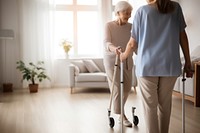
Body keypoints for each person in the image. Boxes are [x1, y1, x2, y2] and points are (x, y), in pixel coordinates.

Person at [119, 0, 193, 132]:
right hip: (169, 65)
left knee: (150, 107)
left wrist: (124, 56)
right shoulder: (175, 7)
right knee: (165, 106)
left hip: (147, 66)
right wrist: (188, 62)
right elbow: (183, 36)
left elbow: (132, 43)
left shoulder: (142, 11)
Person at [103, 1, 134, 127]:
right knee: (117, 88)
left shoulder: (132, 26)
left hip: (127, 59)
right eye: (126, 12)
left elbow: (135, 44)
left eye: (130, 12)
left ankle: (120, 112)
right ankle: (122, 115)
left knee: (127, 88)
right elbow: (106, 42)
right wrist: (114, 48)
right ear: (118, 12)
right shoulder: (109, 25)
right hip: (112, 60)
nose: (129, 15)